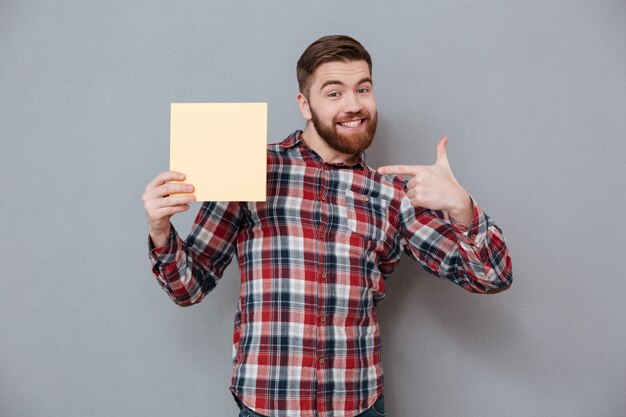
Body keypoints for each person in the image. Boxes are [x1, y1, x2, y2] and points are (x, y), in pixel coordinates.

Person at [142, 35, 512, 417]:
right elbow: (188, 287)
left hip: (358, 405)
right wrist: (160, 230)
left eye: (363, 89)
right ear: (304, 104)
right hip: (266, 404)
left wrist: (462, 207)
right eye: (334, 93)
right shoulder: (249, 165)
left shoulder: (393, 193)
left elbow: (491, 276)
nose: (354, 105)